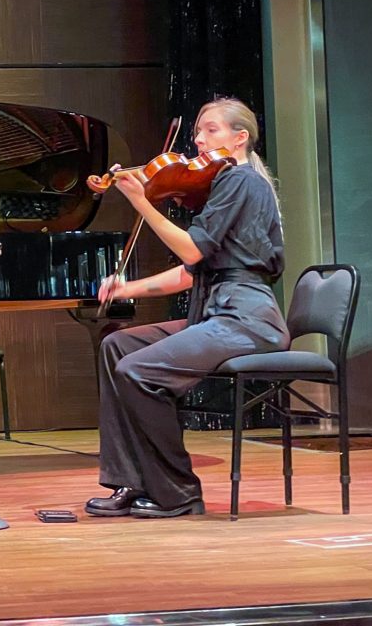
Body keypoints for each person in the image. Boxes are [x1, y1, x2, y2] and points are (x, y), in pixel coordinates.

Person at [85, 97, 289, 519]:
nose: (198, 139)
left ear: (239, 138)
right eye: (198, 130)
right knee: (118, 348)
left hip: (247, 320)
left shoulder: (242, 182)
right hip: (217, 312)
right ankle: (133, 481)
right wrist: (127, 289)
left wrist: (141, 202)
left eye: (210, 130)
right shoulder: (223, 185)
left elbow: (192, 250)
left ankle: (178, 493)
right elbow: (190, 272)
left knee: (138, 370)